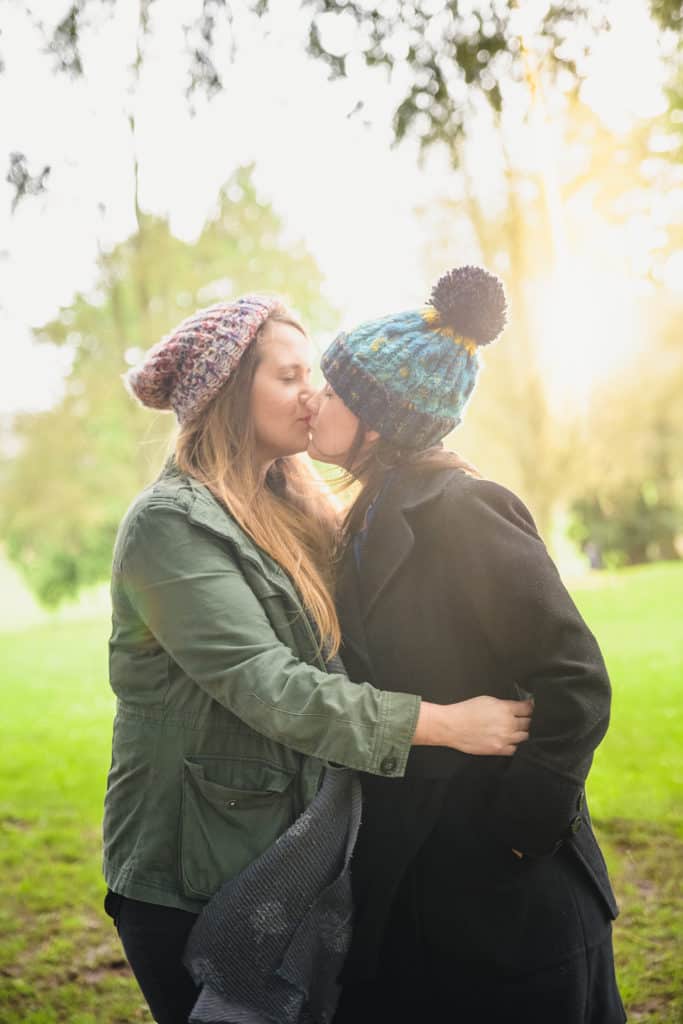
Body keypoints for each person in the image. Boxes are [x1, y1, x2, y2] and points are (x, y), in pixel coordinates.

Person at [102, 295, 532, 1024]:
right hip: (192, 878)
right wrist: (445, 725)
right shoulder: (169, 525)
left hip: (296, 858)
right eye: (290, 376)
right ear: (227, 393)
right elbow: (269, 687)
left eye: (314, 374)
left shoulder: (296, 507)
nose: (315, 393)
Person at [306, 266, 626, 1023]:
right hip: (414, 885)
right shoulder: (365, 514)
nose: (314, 400)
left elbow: (576, 681)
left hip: (510, 902)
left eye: (333, 390)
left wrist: (519, 833)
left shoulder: (465, 509)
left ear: (377, 420)